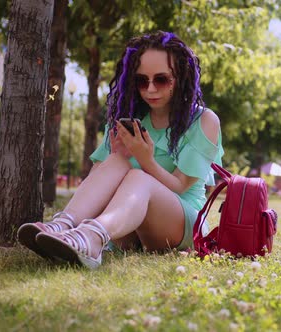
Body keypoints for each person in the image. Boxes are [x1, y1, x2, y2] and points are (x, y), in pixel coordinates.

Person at [17, 31, 223, 269]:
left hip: (181, 224)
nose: (150, 89)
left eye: (161, 79)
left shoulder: (204, 120)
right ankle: (63, 226)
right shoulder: (128, 117)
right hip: (127, 224)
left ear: (181, 77)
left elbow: (180, 186)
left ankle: (92, 238)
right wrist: (116, 156)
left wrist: (147, 160)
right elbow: (95, 180)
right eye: (141, 80)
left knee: (138, 176)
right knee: (117, 162)